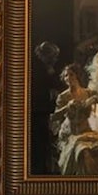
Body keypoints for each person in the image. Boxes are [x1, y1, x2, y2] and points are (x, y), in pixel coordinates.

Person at [50, 64, 98, 175]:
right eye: (65, 76)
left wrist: (95, 98)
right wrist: (67, 107)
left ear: (77, 76)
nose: (68, 78)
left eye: (71, 74)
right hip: (71, 133)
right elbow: (54, 117)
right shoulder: (63, 96)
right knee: (84, 152)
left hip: (86, 130)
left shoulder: (87, 93)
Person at [30, 41, 64, 174]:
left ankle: (43, 168)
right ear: (46, 56)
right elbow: (49, 86)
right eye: (54, 56)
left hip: (42, 109)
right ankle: (41, 170)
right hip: (38, 110)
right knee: (40, 141)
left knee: (43, 141)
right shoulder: (40, 69)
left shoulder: (44, 67)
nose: (55, 59)